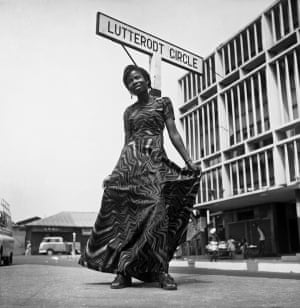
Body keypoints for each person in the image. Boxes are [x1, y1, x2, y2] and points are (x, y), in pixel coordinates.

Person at [79, 64, 201, 291]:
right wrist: (115, 174)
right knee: (127, 220)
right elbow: (127, 144)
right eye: (129, 81)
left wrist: (189, 161)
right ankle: (123, 272)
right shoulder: (129, 112)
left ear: (146, 79)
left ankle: (161, 271)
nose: (134, 82)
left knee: (158, 214)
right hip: (131, 168)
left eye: (137, 77)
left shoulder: (162, 103)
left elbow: (173, 133)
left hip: (155, 166)